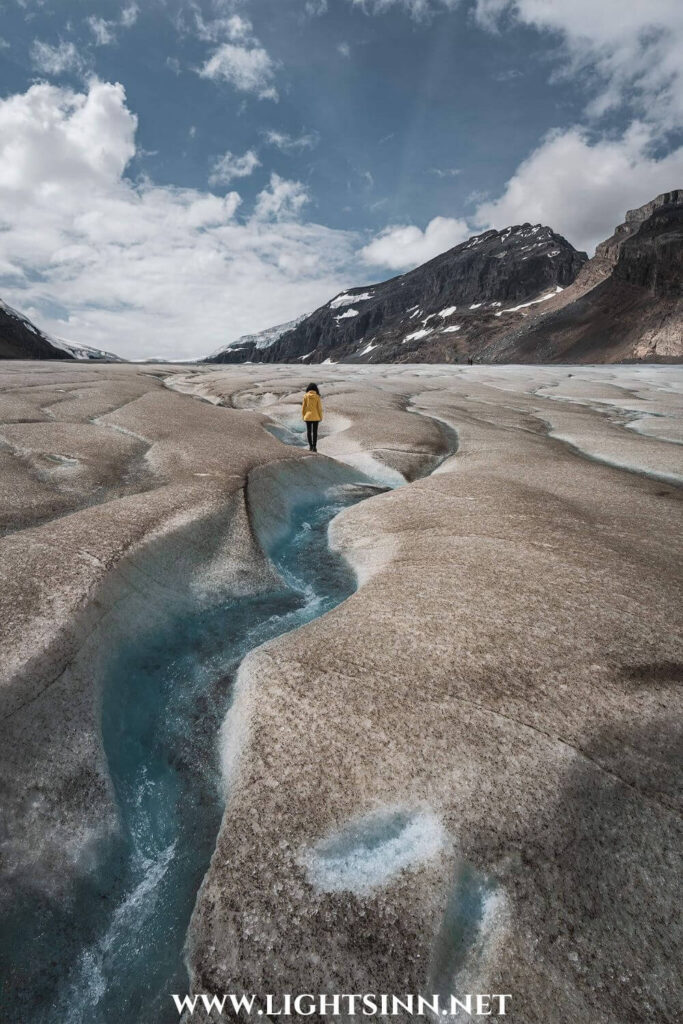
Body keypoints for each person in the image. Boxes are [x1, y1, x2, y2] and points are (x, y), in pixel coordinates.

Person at [301, 382, 323, 451]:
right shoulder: (317, 396)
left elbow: (303, 408)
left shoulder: (305, 396)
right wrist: (321, 417)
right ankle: (314, 446)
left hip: (307, 416)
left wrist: (303, 416)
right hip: (316, 417)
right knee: (315, 432)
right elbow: (319, 408)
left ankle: (310, 446)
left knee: (309, 431)